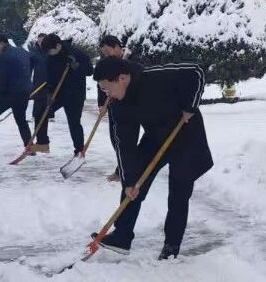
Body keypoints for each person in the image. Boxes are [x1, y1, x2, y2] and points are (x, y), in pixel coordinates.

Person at [93, 58, 212, 259]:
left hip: (185, 131)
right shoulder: (119, 104)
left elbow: (196, 71)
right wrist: (129, 181)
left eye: (107, 89)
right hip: (156, 137)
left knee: (179, 189)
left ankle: (172, 245)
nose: (107, 95)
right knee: (135, 178)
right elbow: (124, 144)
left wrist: (190, 107)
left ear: (122, 78)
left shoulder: (156, 77)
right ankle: (122, 236)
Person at [37, 34, 93, 155]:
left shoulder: (76, 53)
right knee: (41, 112)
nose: (49, 54)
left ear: (57, 46)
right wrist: (50, 93)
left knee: (74, 122)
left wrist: (76, 66)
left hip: (75, 94)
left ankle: (79, 150)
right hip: (58, 93)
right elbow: (50, 76)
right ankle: (42, 143)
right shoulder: (50, 57)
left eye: (50, 51)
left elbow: (89, 71)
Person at [97, 34, 129, 181]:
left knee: (125, 140)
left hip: (129, 106)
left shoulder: (132, 60)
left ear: (118, 47)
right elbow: (101, 85)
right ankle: (122, 168)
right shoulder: (105, 63)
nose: (106, 55)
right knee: (115, 138)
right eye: (104, 52)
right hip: (113, 106)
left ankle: (124, 171)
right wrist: (101, 105)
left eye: (108, 51)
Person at [27, 38, 52, 153]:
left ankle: (43, 143)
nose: (42, 42)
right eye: (40, 40)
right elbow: (29, 69)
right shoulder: (35, 54)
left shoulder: (50, 53)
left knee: (43, 115)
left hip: (48, 88)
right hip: (38, 89)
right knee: (38, 115)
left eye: (43, 40)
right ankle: (42, 143)